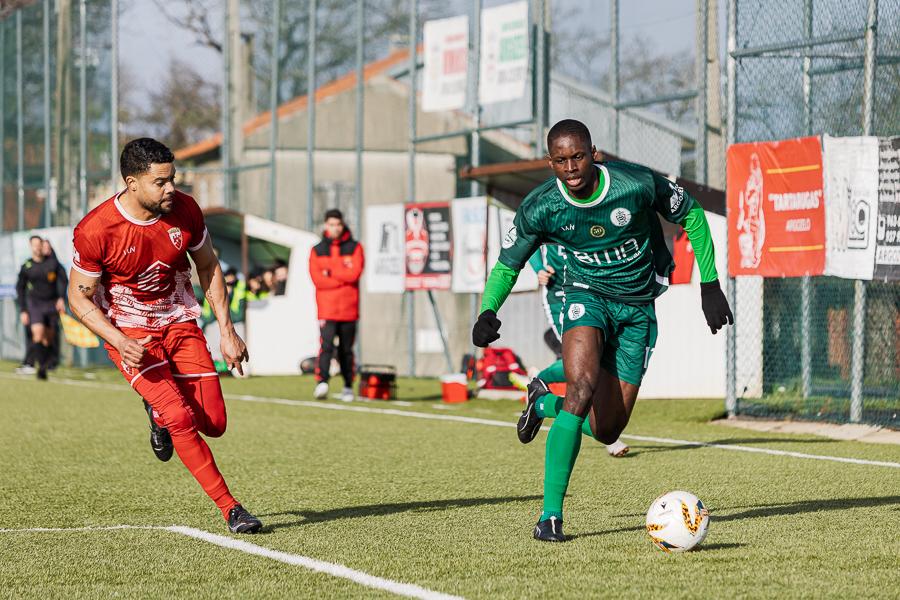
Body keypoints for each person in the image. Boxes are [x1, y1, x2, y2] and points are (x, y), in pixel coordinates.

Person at [472, 119, 733, 542]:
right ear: (550, 162)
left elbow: (692, 215)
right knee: (581, 388)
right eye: (561, 160)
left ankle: (542, 402)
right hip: (584, 294)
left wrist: (710, 285)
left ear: (594, 154)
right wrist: (487, 310)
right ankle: (550, 518)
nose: (571, 168)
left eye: (578, 156)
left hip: (637, 307)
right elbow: (507, 265)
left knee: (608, 429)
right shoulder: (541, 206)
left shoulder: (635, 184)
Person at [67, 137, 262, 533]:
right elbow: (78, 296)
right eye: (161, 182)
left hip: (179, 322)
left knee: (214, 423)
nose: (171, 188)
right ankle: (231, 509)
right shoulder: (96, 229)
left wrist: (227, 331)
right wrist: (118, 340)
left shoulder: (186, 210)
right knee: (179, 416)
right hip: (131, 334)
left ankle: (157, 415)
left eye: (172, 178)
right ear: (132, 183)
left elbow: (208, 266)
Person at [509, 243, 630, 458]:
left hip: (591, 291)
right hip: (560, 296)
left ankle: (539, 390)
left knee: (600, 362)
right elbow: (528, 237)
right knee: (588, 364)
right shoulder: (551, 219)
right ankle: (540, 382)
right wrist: (539, 268)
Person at [308, 208, 364, 402]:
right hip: (327, 309)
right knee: (326, 346)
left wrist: (330, 273)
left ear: (343, 224)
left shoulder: (355, 247)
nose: (335, 228)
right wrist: (342, 276)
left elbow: (355, 274)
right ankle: (322, 382)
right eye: (331, 224)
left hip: (349, 310)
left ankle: (348, 386)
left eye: (338, 224)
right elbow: (318, 280)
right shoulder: (317, 250)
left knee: (346, 351)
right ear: (326, 225)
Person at [15, 236, 67, 380]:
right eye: (35, 245)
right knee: (37, 334)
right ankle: (40, 368)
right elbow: (20, 288)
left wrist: (61, 298)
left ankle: (44, 367)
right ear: (31, 246)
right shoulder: (27, 266)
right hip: (35, 304)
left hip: (51, 304)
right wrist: (23, 310)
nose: (37, 247)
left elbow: (63, 280)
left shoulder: (52, 263)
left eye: (39, 244)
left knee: (48, 339)